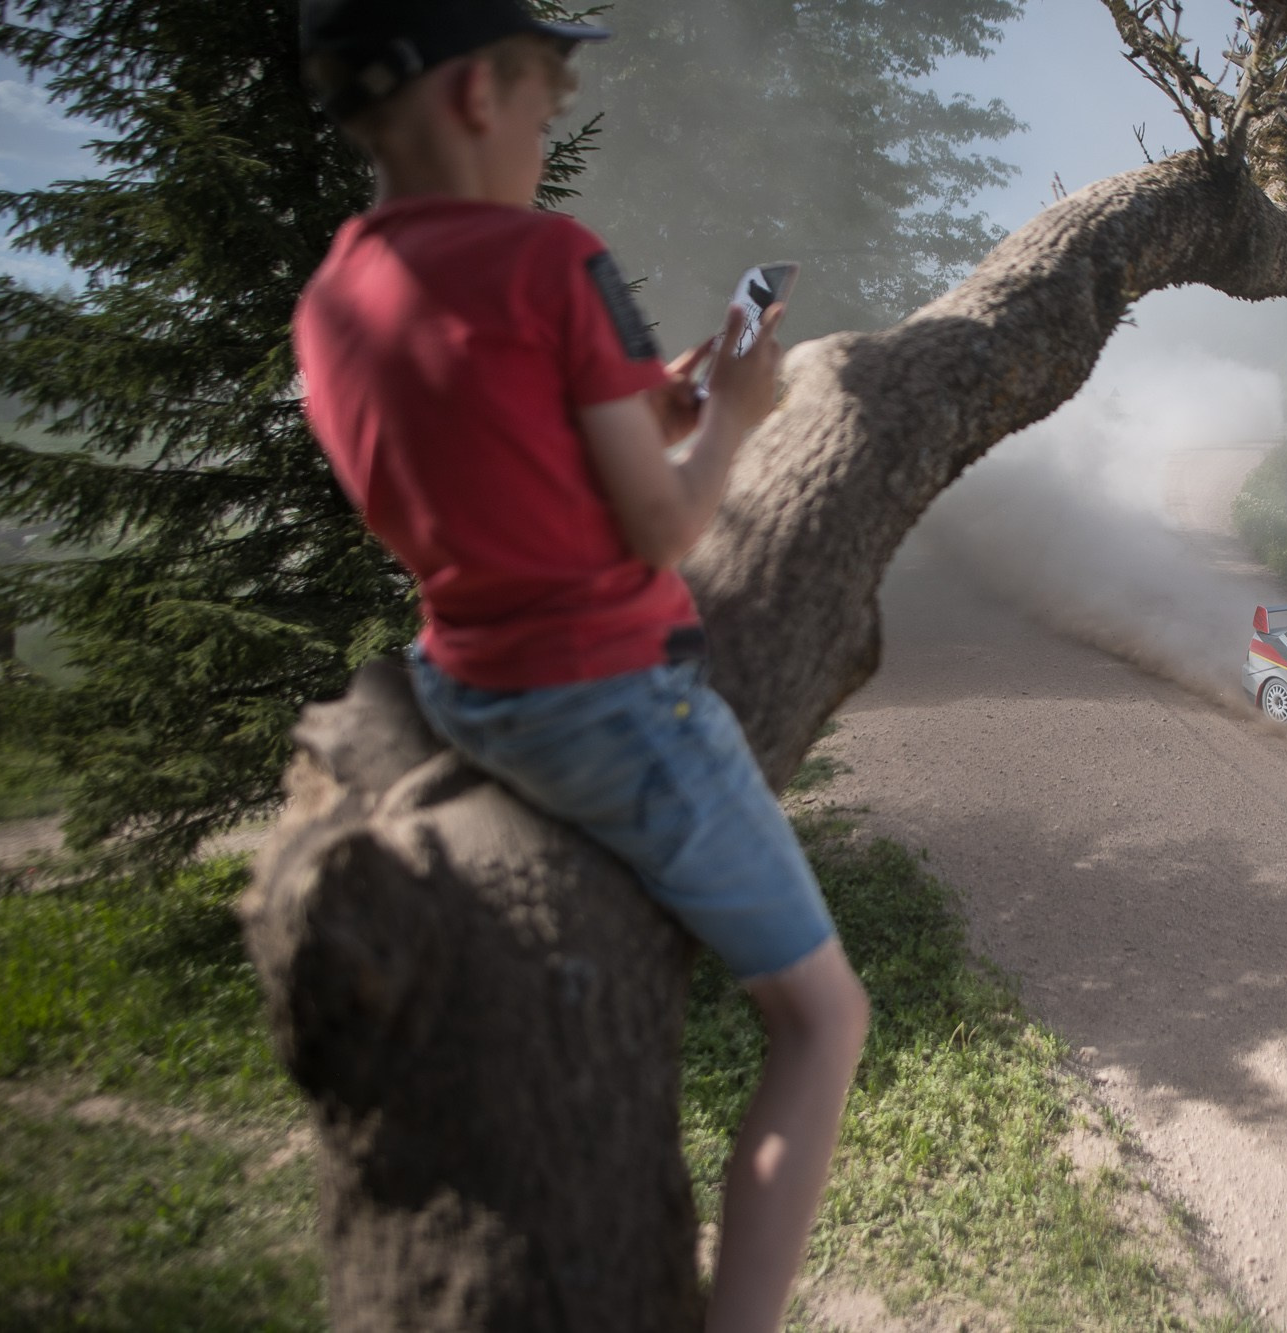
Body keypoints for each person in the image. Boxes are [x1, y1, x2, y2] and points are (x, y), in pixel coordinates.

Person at [290, 4, 869, 1329]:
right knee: (826, 1023)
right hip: (608, 703)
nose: (547, 139)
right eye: (546, 111)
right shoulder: (547, 258)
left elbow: (483, 451)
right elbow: (666, 523)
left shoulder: (330, 302)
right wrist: (731, 416)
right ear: (479, 98)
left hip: (463, 682)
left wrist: (645, 396)